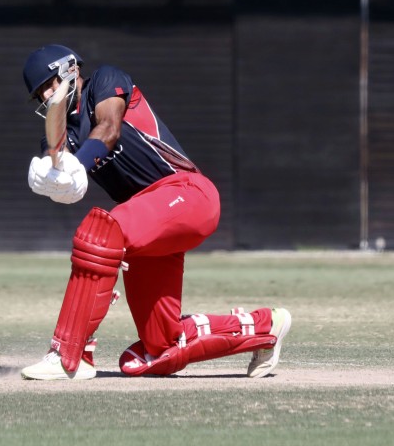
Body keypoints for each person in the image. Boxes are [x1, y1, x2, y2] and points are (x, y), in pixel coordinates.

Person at [19, 44, 292, 380]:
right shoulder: (66, 135)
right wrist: (49, 175)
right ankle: (266, 328)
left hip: (187, 194)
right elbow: (59, 162)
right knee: (158, 348)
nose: (48, 94)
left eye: (50, 82)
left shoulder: (105, 80)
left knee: (100, 231)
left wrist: (75, 164)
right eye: (40, 92)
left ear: (71, 69)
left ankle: (69, 355)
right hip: (148, 221)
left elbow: (108, 128)